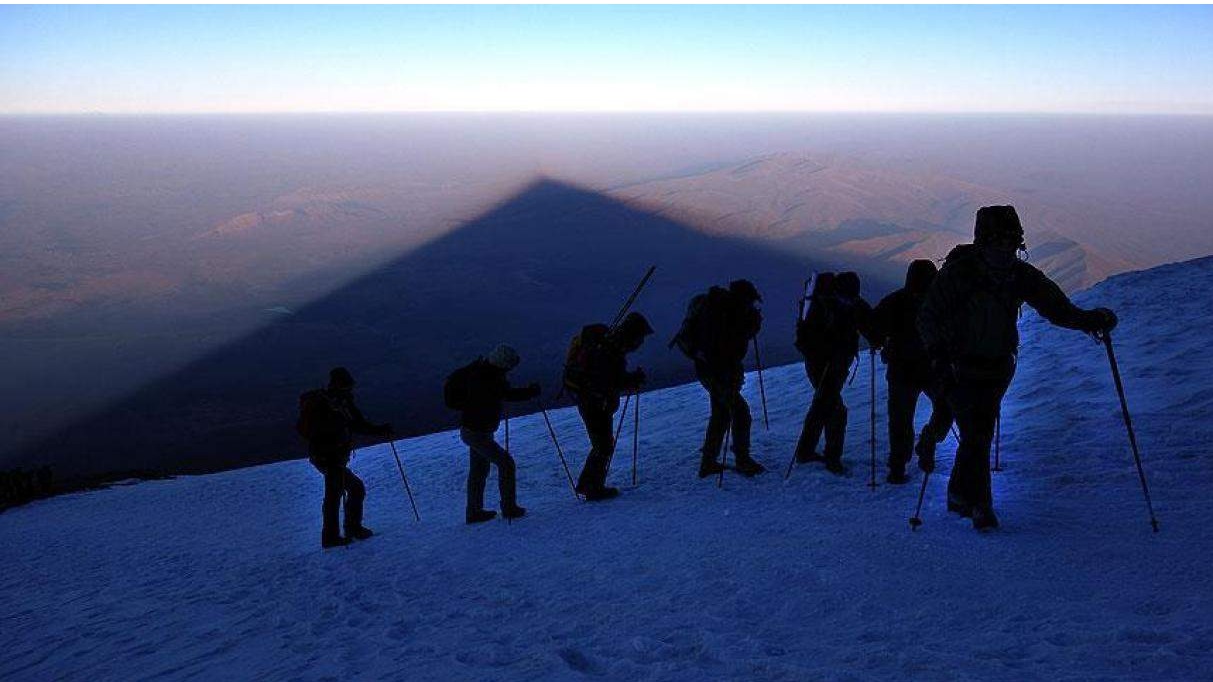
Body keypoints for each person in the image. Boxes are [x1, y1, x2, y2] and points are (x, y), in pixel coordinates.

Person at [918, 205, 1118, 531]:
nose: (1005, 249)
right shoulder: (959, 275)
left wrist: (1090, 321)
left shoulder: (1019, 276)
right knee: (977, 433)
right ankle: (981, 506)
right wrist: (939, 355)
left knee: (976, 434)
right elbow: (927, 317)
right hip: (958, 368)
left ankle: (958, 494)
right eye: (999, 242)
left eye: (1011, 243)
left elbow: (1057, 308)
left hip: (996, 369)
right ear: (982, 242)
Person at [869, 260, 953, 484]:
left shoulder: (894, 301)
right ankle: (930, 437)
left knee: (900, 420)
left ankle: (897, 467)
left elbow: (873, 328)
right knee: (946, 407)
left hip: (901, 371)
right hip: (932, 370)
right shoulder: (940, 304)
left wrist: (879, 342)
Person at [672, 279, 766, 478]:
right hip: (717, 371)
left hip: (713, 370)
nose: (751, 305)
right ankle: (742, 460)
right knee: (740, 412)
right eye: (750, 301)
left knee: (721, 414)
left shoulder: (723, 310)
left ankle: (708, 463)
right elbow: (725, 345)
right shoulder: (724, 314)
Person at [298, 367, 393, 549]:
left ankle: (341, 533)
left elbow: (356, 424)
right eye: (347, 385)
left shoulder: (340, 402)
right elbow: (356, 424)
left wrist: (380, 429)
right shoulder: (332, 404)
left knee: (342, 491)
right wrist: (380, 430)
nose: (350, 389)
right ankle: (338, 535)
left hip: (328, 455)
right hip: (329, 456)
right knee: (344, 491)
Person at [444, 345, 540, 524]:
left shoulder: (480, 371)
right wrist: (530, 392)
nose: (509, 370)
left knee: (479, 471)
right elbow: (506, 394)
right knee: (506, 464)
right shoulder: (488, 377)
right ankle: (508, 507)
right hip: (478, 432)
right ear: (502, 363)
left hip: (473, 430)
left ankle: (474, 512)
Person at [564, 312, 654, 501]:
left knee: (602, 444)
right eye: (640, 338)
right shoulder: (609, 351)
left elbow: (608, 378)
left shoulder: (607, 346)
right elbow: (608, 381)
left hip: (590, 401)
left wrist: (628, 379)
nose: (640, 344)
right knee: (603, 445)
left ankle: (589, 484)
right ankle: (592, 487)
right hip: (595, 403)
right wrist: (632, 379)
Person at [792, 271, 873, 475]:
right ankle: (832, 458)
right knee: (835, 410)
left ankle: (805, 451)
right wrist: (827, 348)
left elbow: (869, 325)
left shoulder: (852, 304)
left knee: (822, 404)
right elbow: (804, 340)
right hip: (821, 365)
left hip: (836, 365)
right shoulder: (822, 306)